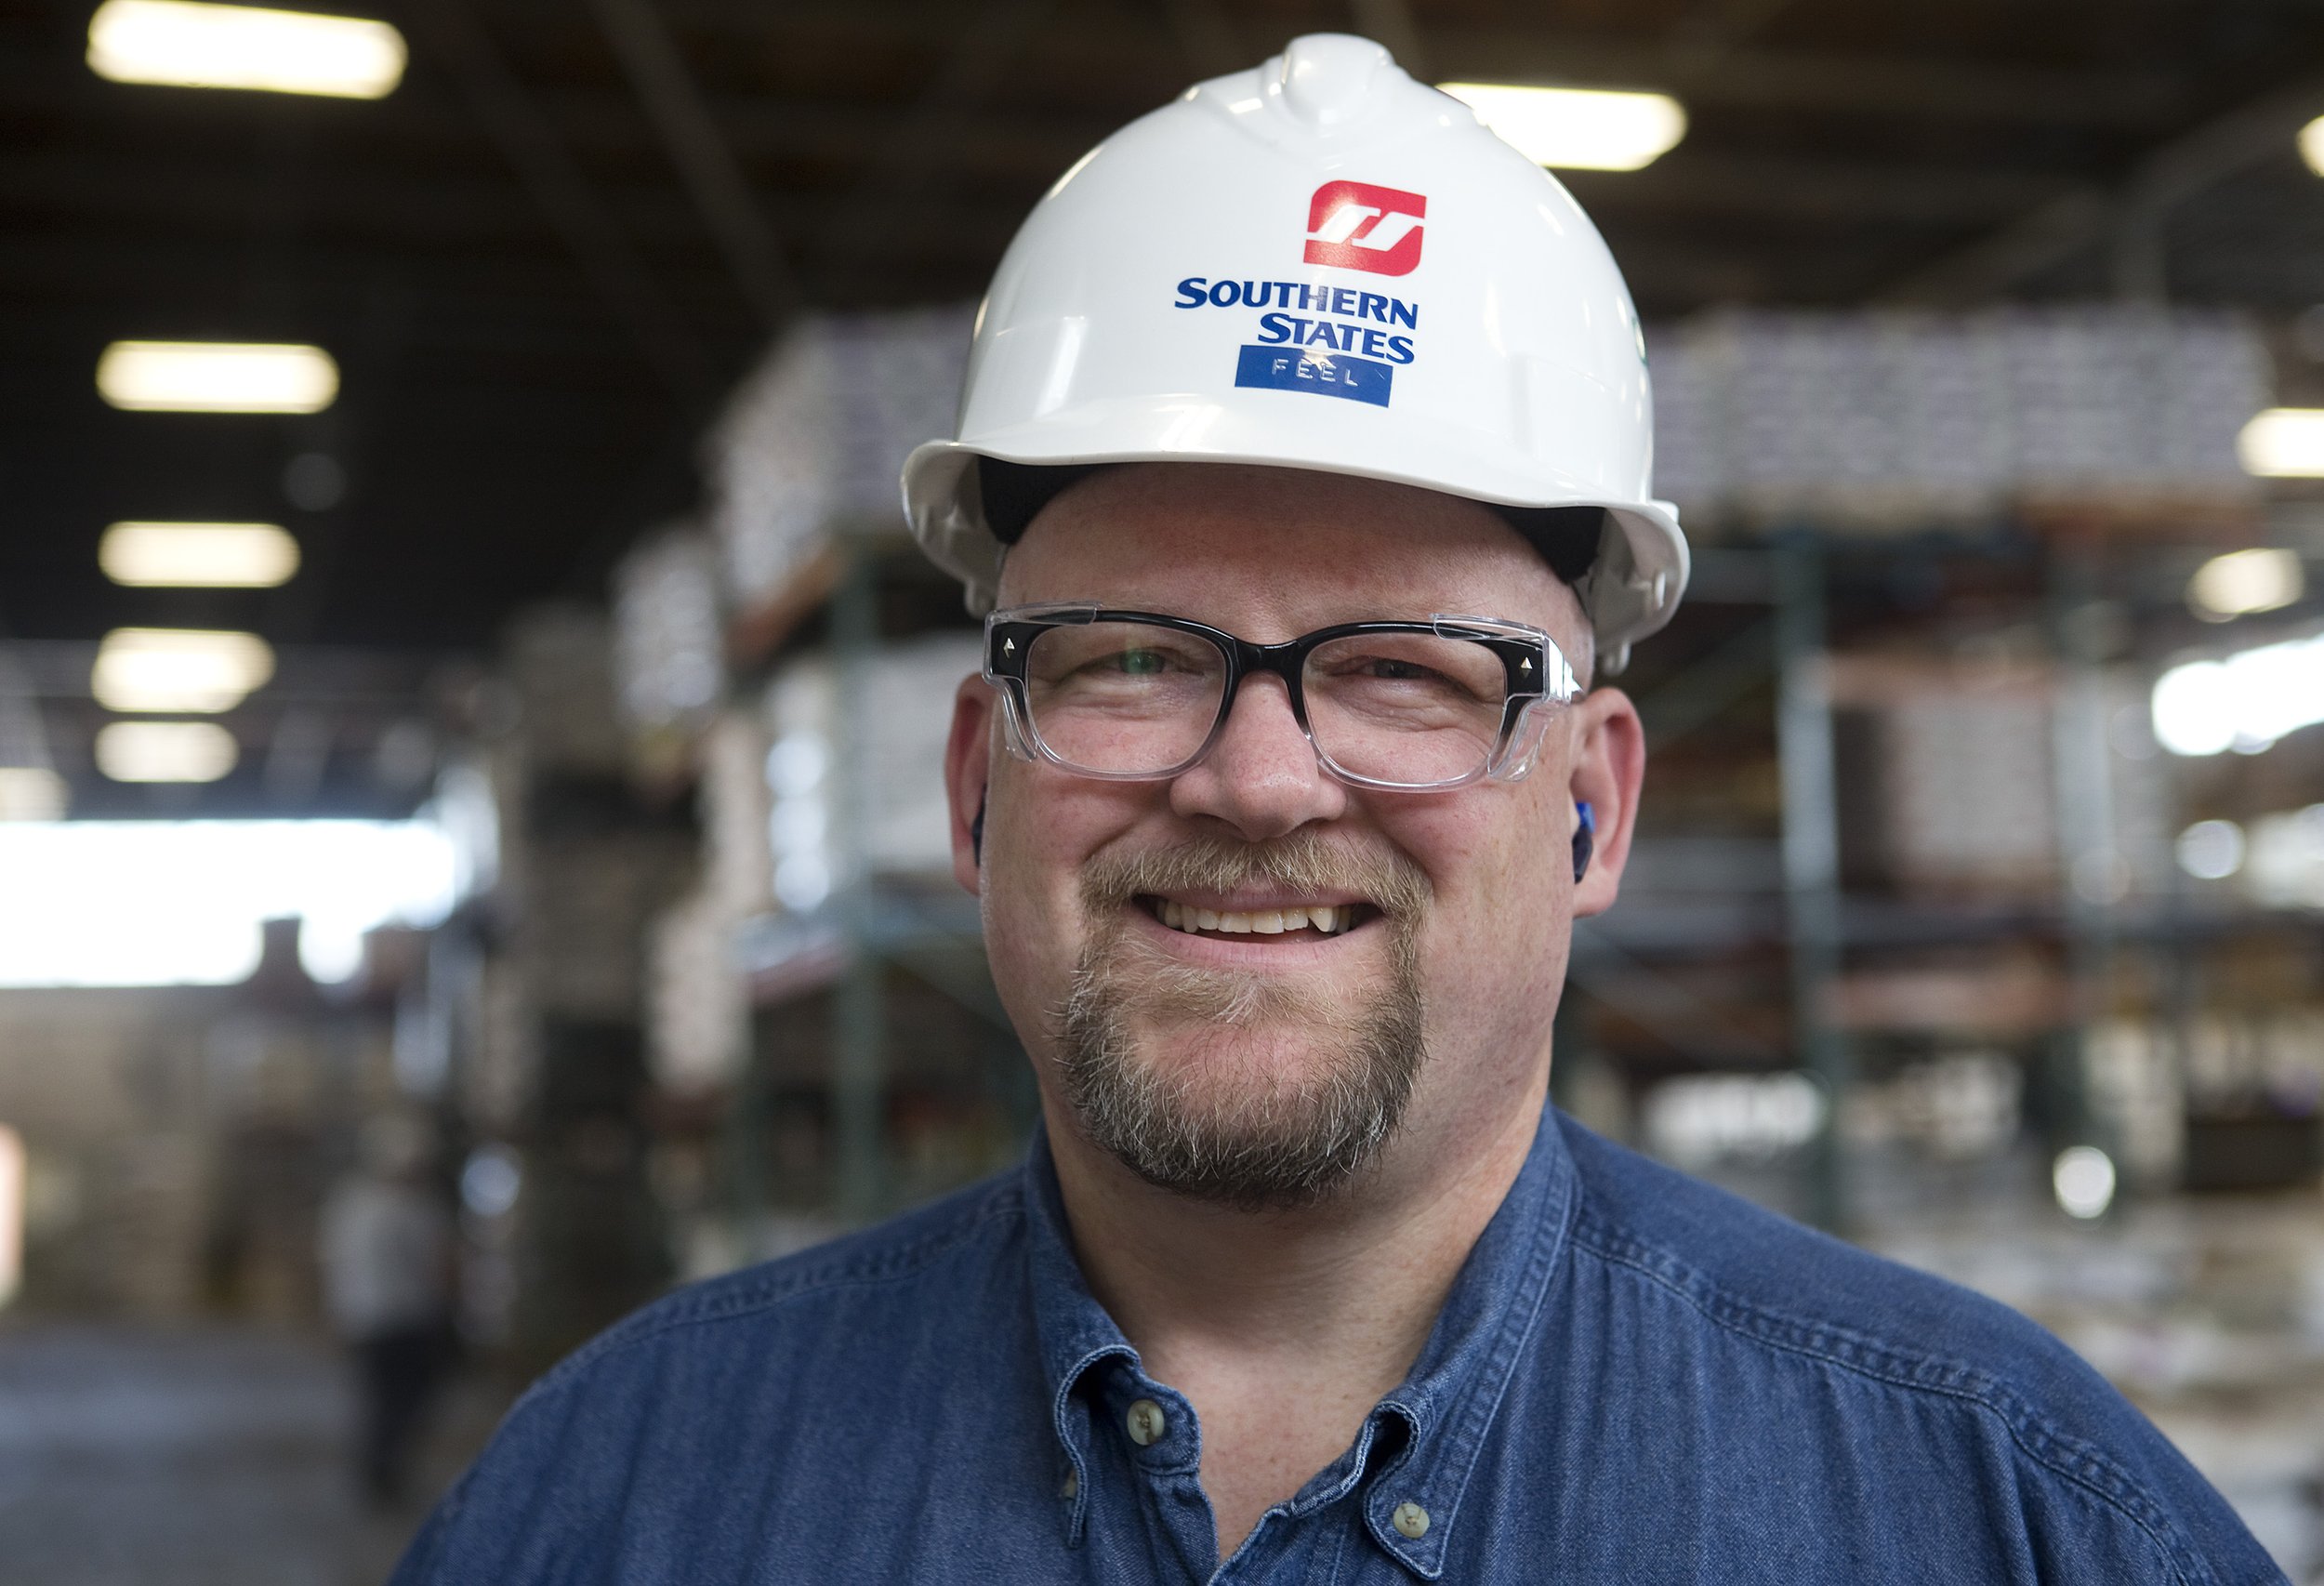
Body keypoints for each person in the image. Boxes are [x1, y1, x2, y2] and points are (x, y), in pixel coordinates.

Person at [391, 35, 2283, 1583]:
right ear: (977, 788)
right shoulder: (620, 1498)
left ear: (1589, 812)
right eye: (1129, 656)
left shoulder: (1999, 1512)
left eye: (1407, 672)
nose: (1257, 777)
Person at [322, 1112, 457, 1506]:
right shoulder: (419, 1208)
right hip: (405, 1319)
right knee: (401, 1400)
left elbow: (330, 1262)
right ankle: (384, 1472)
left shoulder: (350, 1202)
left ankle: (380, 1470)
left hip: (370, 1319)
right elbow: (442, 1266)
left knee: (383, 1399)